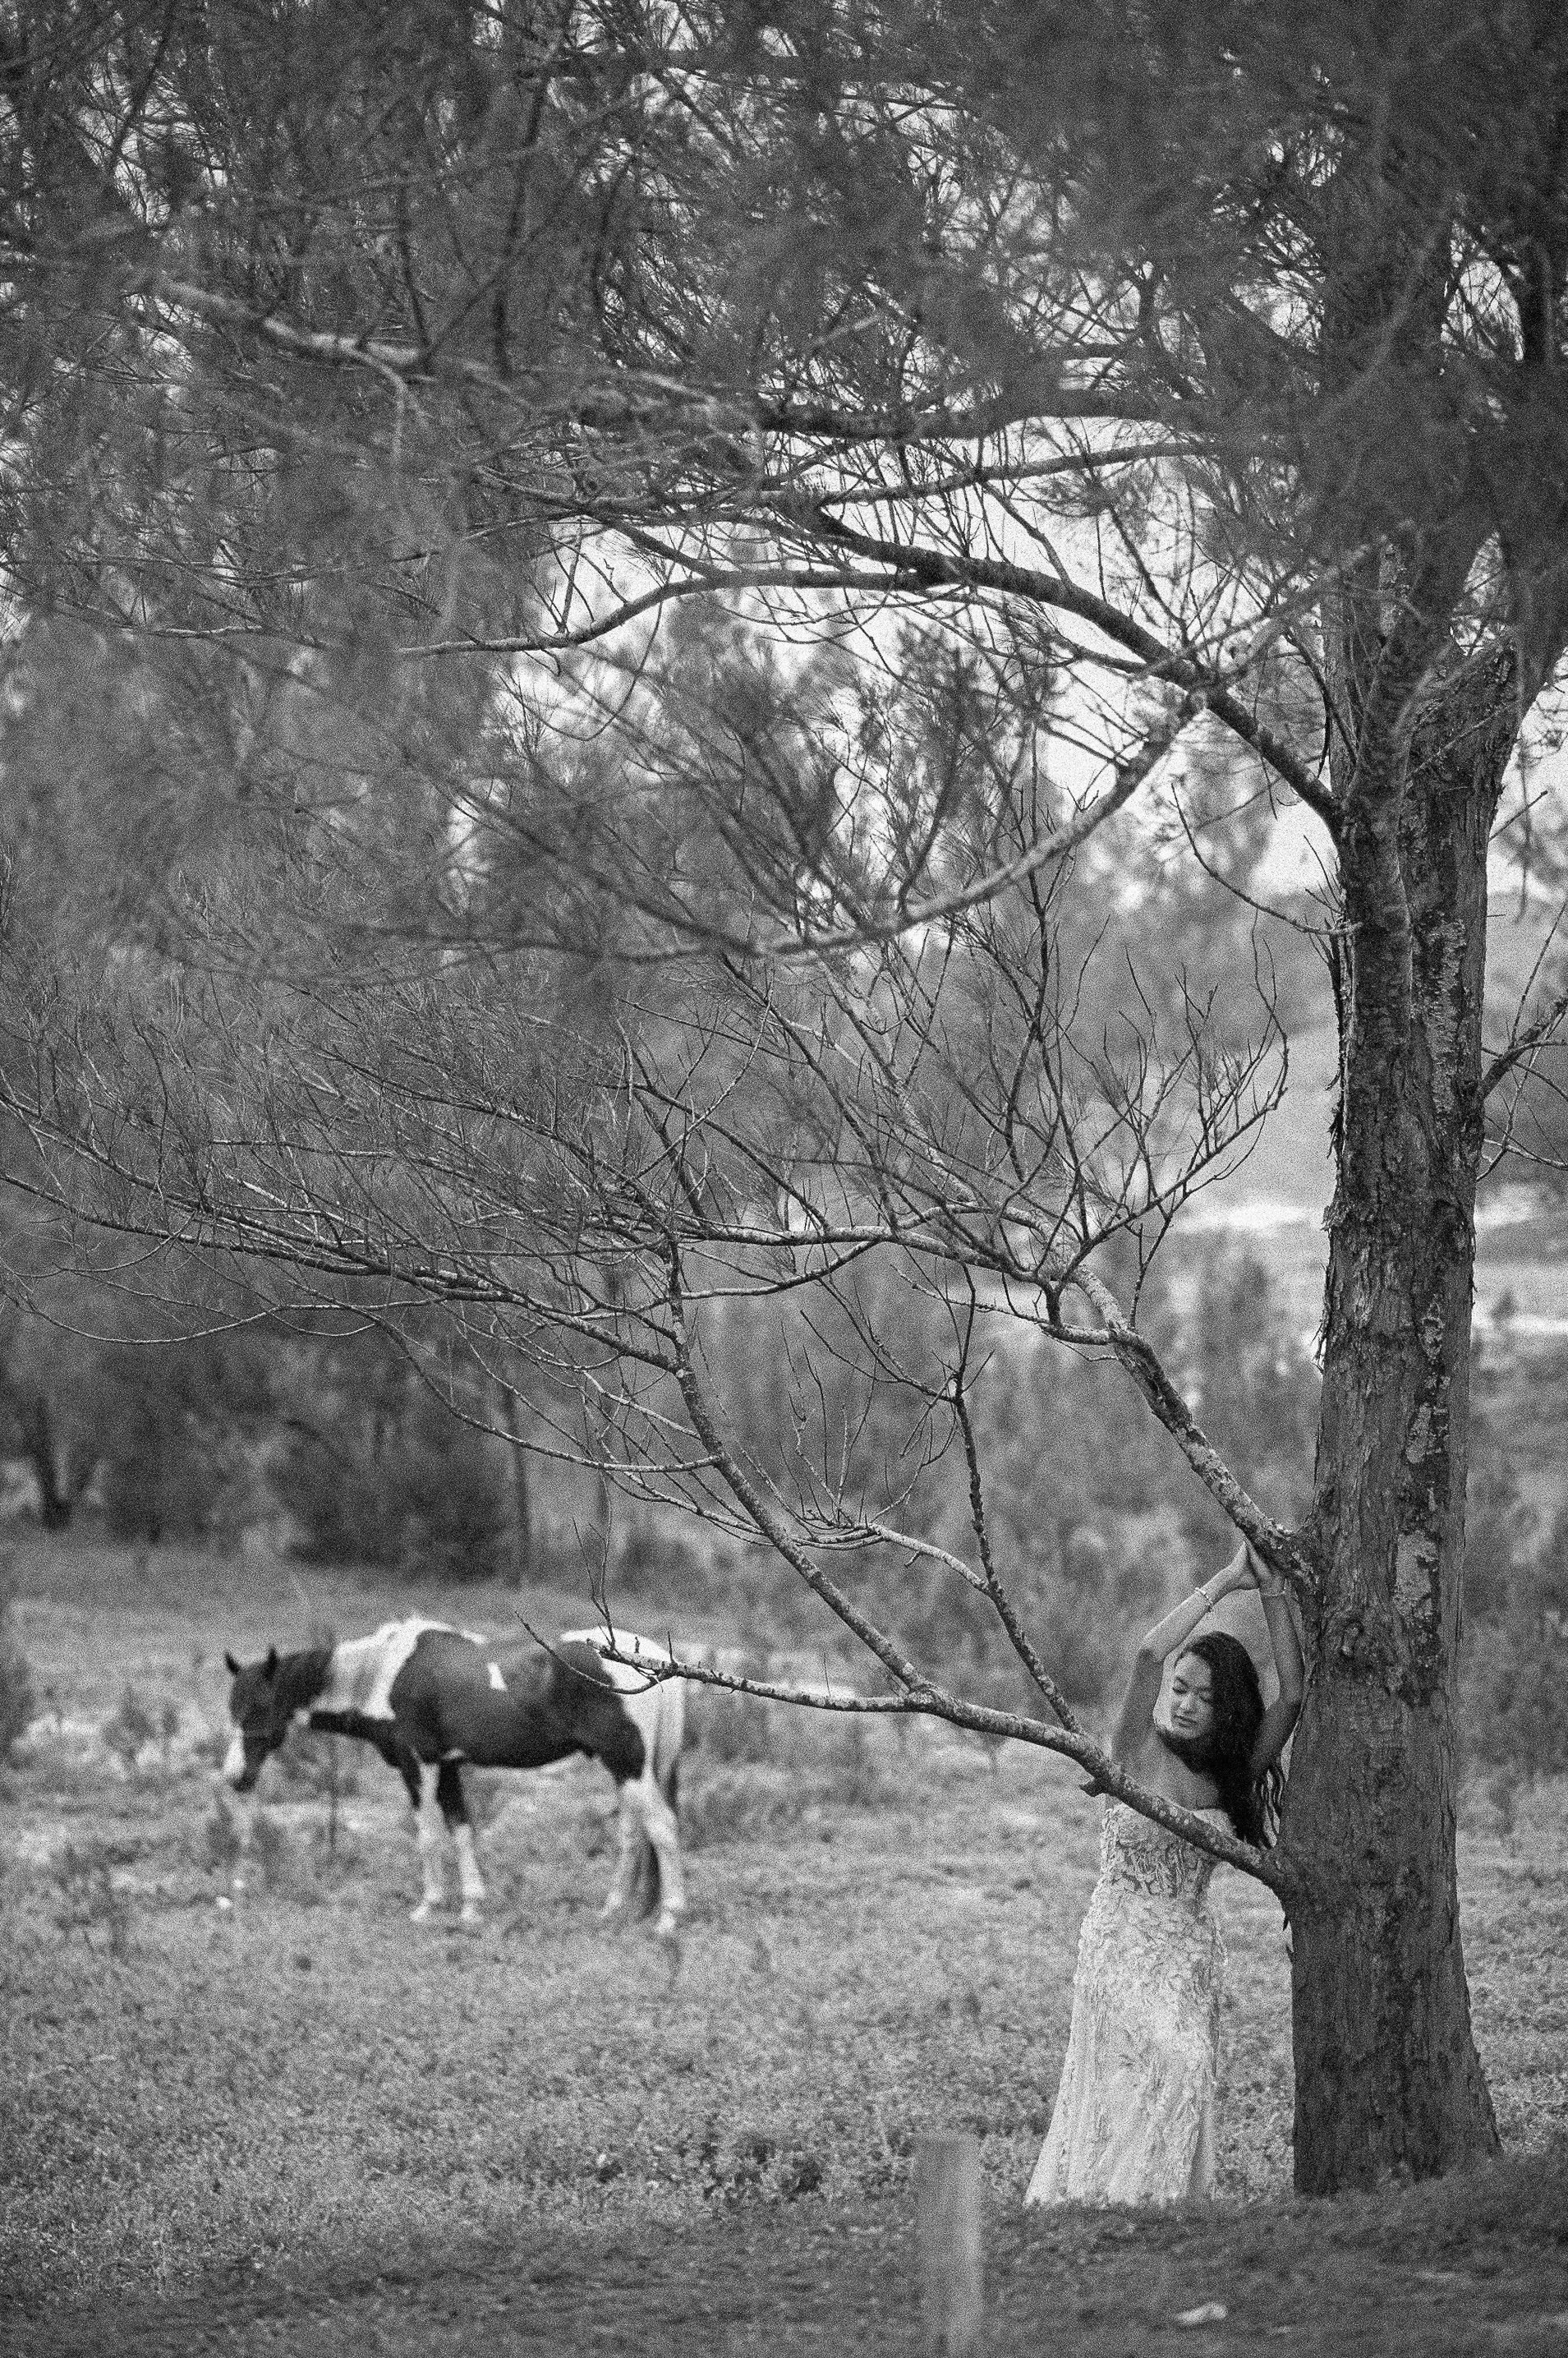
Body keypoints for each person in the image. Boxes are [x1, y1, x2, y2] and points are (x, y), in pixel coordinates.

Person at [1024, 1538, 1304, 2208]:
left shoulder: (1230, 1776)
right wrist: (1225, 1581)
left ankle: (1154, 2212)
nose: (1181, 1704)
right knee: (1158, 2066)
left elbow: (1291, 1695)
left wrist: (1270, 1590)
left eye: (1201, 1698)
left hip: (1187, 1950)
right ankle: (1109, 2202)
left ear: (1226, 1709)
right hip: (1119, 1940)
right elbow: (1149, 1654)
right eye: (1179, 1690)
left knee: (1181, 2072)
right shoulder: (1136, 1752)